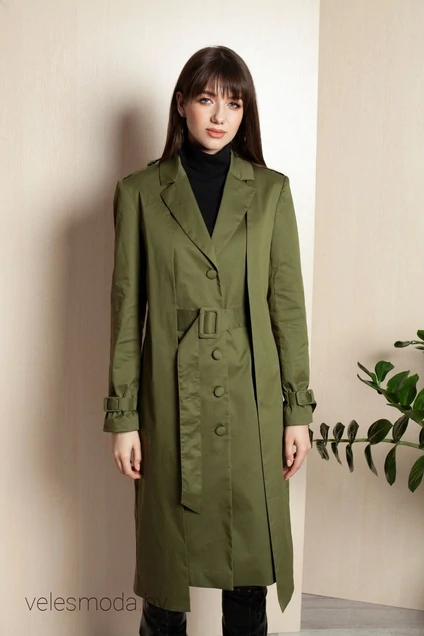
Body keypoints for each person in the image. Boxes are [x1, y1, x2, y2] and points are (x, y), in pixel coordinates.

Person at [103, 45, 317, 636]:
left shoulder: (271, 192)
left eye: (234, 103)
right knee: (165, 583)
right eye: (206, 99)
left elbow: (288, 309)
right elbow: (127, 314)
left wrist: (297, 412)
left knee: (249, 577)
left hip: (253, 403)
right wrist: (124, 418)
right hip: (170, 405)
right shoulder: (140, 192)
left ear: (246, 112)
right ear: (181, 105)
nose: (220, 115)